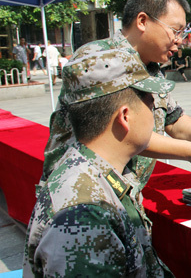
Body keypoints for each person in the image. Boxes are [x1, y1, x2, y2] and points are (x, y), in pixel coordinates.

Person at [43, 0, 191, 193]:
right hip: (82, 191)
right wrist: (190, 151)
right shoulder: (97, 59)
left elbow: (173, 118)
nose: (179, 40)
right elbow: (125, 133)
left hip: (121, 191)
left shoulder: (150, 65)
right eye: (175, 30)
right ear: (142, 21)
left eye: (183, 31)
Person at [24, 49, 175, 277]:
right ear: (125, 116)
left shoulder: (94, 170)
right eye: (150, 102)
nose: (154, 111)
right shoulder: (84, 215)